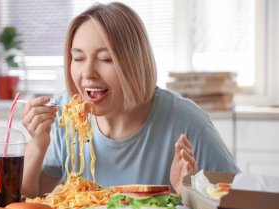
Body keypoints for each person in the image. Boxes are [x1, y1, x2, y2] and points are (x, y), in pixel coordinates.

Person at [21, 2, 239, 198]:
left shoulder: (188, 122)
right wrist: (37, 144)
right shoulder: (64, 115)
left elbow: (239, 202)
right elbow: (32, 199)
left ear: (134, 64)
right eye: (78, 58)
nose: (87, 72)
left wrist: (191, 194)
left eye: (105, 59)